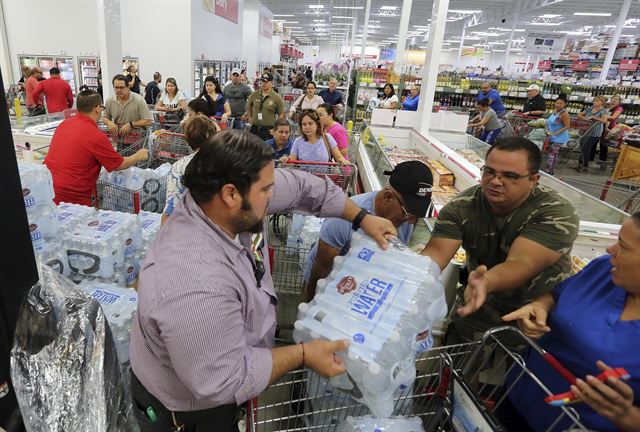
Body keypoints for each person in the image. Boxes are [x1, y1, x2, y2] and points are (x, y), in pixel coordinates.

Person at [129, 130, 397, 432]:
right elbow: (224, 380)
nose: (274, 195)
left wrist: (361, 217)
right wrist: (303, 354)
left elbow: (301, 188)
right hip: (189, 410)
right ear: (231, 194)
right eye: (267, 189)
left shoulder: (230, 201)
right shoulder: (194, 281)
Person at [420, 137, 579, 344]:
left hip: (536, 314)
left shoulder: (556, 212)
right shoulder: (462, 207)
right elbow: (435, 255)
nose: (495, 181)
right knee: (457, 365)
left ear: (533, 179)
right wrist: (406, 277)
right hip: (477, 307)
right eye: (489, 172)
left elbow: (522, 263)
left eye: (510, 176)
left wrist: (486, 282)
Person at [500, 212, 640, 432]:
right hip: (518, 395)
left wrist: (627, 416)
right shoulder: (605, 270)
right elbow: (556, 296)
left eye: (623, 246)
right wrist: (539, 307)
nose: (610, 250)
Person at [303, 161, 433, 302]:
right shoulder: (343, 218)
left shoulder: (404, 219)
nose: (411, 221)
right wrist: (309, 308)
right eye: (408, 213)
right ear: (388, 197)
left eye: (416, 215)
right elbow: (321, 269)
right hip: (327, 281)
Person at [44, 90, 149, 206]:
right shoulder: (95, 135)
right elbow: (118, 165)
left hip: (47, 186)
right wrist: (139, 155)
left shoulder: (64, 124)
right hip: (72, 195)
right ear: (97, 108)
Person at [163, 115, 218, 222]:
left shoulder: (179, 166)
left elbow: (171, 208)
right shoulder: (227, 160)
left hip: (192, 226)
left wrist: (163, 235)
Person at [246, 72, 285, 141]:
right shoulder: (255, 94)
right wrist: (249, 117)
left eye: (266, 81)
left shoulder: (276, 97)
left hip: (268, 129)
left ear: (271, 82)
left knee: (266, 150)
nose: (263, 83)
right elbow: (248, 105)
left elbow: (281, 113)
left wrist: (276, 128)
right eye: (262, 81)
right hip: (255, 128)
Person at [576, 95, 609, 173]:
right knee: (582, 146)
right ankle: (580, 163)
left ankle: (584, 165)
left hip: (595, 133)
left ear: (602, 102)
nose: (595, 101)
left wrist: (594, 118)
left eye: (597, 100)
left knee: (585, 147)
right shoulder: (590, 108)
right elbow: (579, 114)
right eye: (594, 100)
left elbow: (604, 121)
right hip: (585, 131)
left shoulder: (603, 111)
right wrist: (585, 119)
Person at [593, 94, 624, 171]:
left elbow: (613, 117)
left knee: (603, 144)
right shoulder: (606, 105)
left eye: (616, 99)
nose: (614, 100)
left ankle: (603, 162)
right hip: (599, 125)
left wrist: (601, 116)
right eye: (613, 98)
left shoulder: (619, 108)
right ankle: (590, 158)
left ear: (619, 101)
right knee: (594, 141)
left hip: (608, 128)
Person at [543, 94, 570, 175]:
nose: (558, 105)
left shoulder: (564, 114)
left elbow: (567, 126)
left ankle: (548, 170)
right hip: (551, 136)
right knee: (554, 153)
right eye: (557, 103)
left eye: (561, 103)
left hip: (559, 137)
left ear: (565, 104)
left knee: (552, 153)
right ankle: (551, 170)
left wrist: (555, 133)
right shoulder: (555, 111)